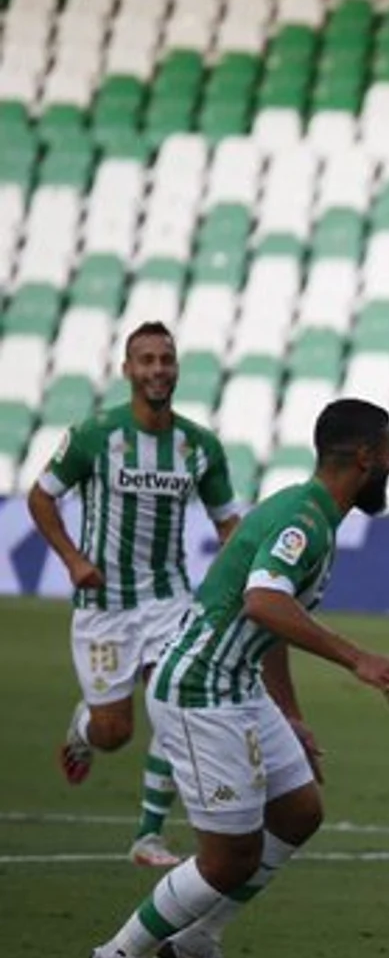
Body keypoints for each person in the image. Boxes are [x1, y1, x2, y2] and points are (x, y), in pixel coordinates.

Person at [83, 398, 389, 958]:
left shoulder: (315, 512)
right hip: (200, 690)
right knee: (228, 856)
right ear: (366, 456)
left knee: (299, 813)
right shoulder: (304, 520)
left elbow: (272, 621)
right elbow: (265, 603)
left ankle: (195, 942)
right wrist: (359, 660)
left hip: (238, 684)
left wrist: (289, 714)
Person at [29, 321, 242, 868]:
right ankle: (84, 728)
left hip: (170, 599)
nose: (156, 370)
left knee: (174, 706)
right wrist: (74, 560)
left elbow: (228, 528)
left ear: (176, 368)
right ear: (127, 370)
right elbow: (40, 499)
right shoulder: (95, 435)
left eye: (165, 359)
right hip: (105, 607)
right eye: (145, 360)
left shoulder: (200, 446)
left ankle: (148, 836)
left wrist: (249, 574)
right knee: (114, 733)